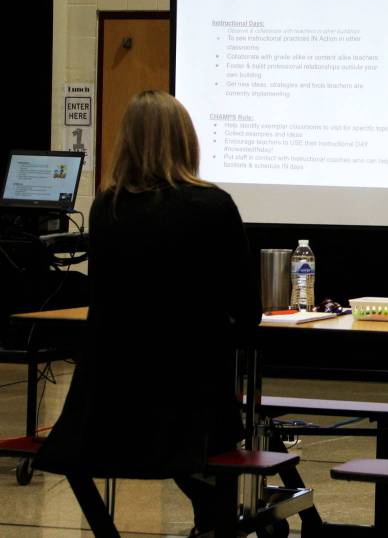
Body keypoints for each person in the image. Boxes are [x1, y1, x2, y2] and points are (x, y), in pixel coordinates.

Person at [35, 91, 260, 537]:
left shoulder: (106, 208)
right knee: (219, 449)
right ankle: (213, 526)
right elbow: (247, 311)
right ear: (187, 140)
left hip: (107, 414)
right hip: (190, 415)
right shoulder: (214, 207)